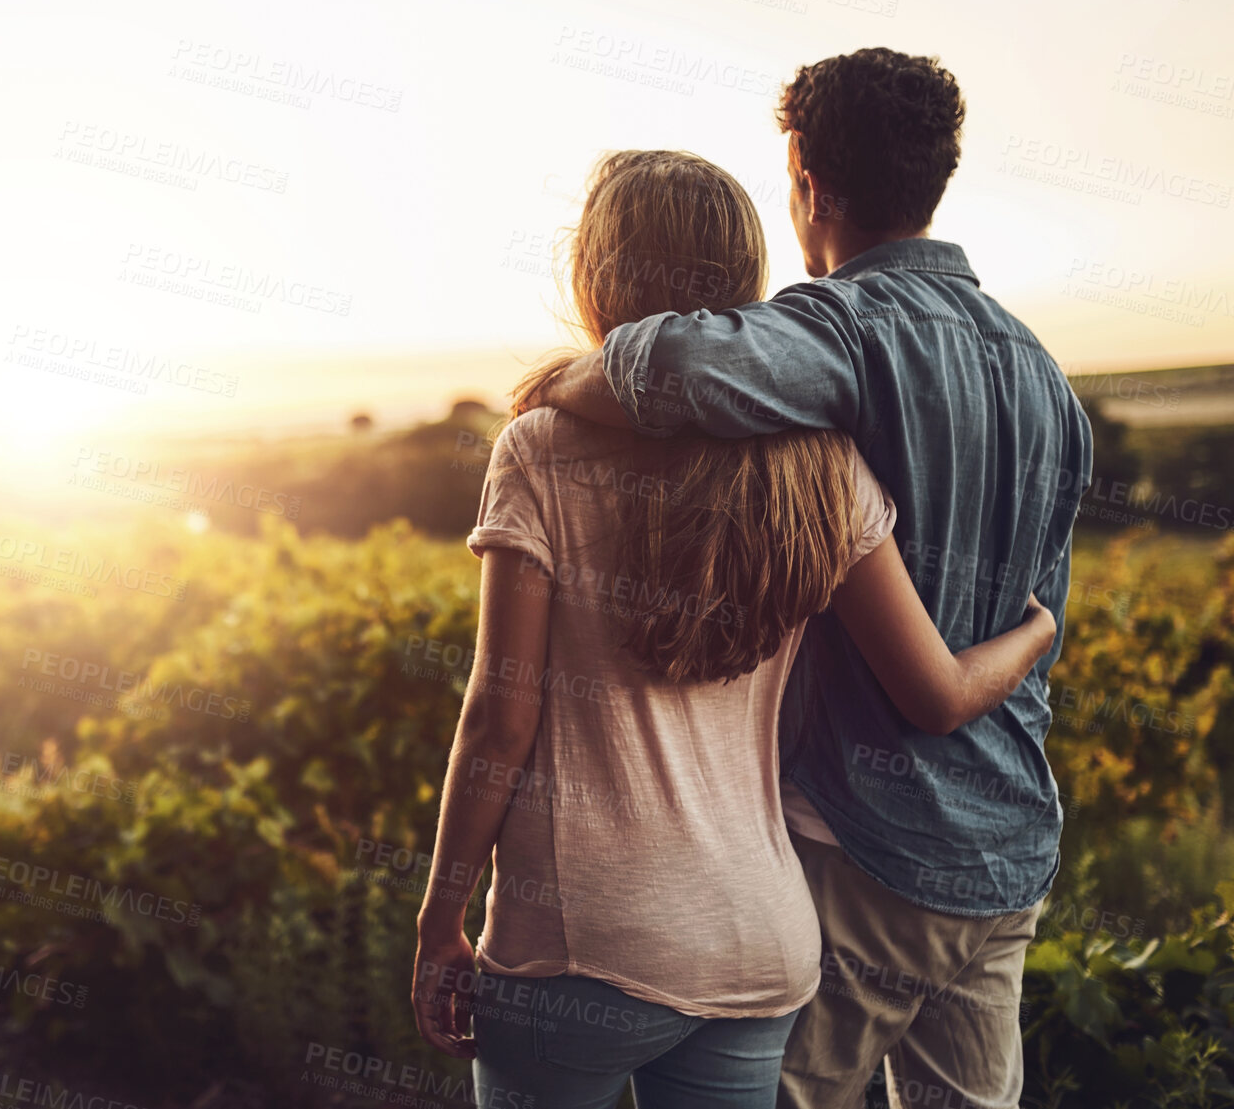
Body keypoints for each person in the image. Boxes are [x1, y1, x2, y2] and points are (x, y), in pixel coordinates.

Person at [412, 148, 1060, 1109]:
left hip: (575, 947)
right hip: (760, 946)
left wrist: (440, 921)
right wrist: (1038, 631)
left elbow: (498, 725)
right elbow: (936, 687)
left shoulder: (540, 450)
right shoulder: (820, 469)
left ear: (596, 272)